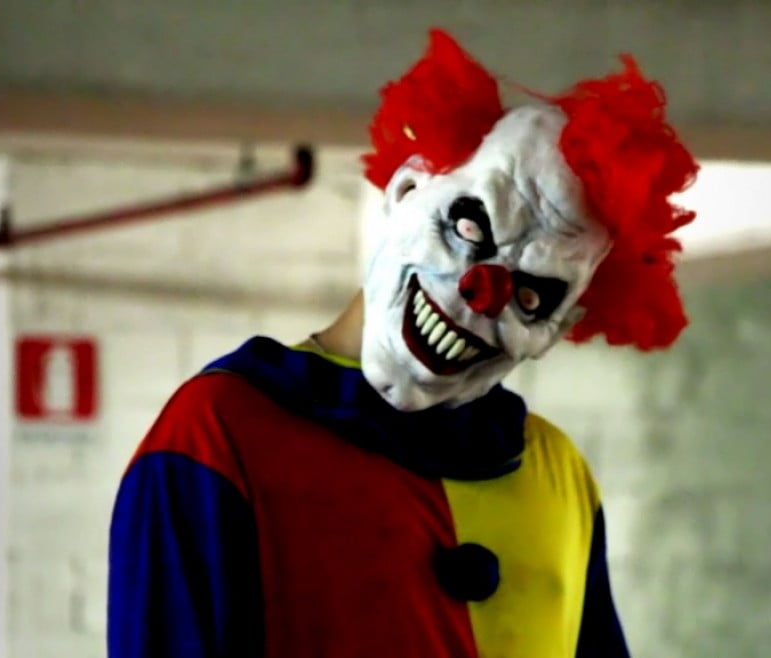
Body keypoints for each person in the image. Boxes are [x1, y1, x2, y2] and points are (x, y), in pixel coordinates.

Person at [107, 28, 697, 658]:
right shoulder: (218, 435)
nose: (483, 291)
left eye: (532, 294)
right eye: (469, 226)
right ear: (408, 191)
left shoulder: (558, 473)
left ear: (559, 326)